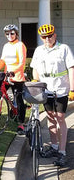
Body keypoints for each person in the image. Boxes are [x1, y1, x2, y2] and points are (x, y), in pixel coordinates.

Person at [30, 24, 74, 166]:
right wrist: (36, 82)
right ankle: (54, 147)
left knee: (60, 118)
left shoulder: (64, 49)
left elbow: (71, 69)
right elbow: (35, 69)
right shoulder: (39, 50)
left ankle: (62, 152)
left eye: (50, 35)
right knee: (50, 118)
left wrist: (72, 89)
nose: (47, 39)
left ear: (55, 35)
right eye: (44, 37)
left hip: (61, 89)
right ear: (41, 38)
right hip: (46, 89)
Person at [0, 24, 27, 134]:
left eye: (12, 33)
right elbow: (2, 62)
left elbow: (22, 63)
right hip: (6, 76)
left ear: (16, 34)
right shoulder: (6, 46)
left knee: (18, 100)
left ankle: (21, 125)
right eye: (7, 33)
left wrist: (14, 71)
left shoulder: (20, 45)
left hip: (17, 77)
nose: (9, 35)